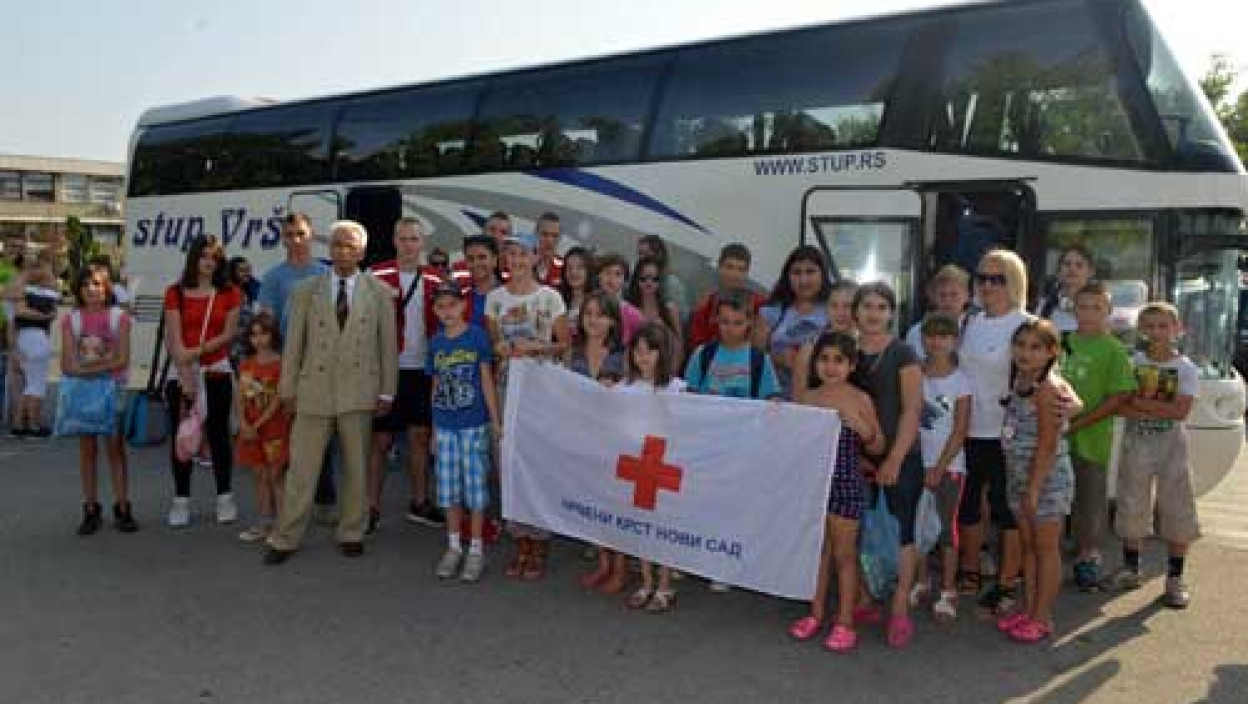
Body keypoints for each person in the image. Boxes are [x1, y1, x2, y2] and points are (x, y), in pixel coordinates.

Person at [264, 221, 399, 564]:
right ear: (329, 248)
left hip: (359, 390)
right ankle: (286, 536)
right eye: (337, 244)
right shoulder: (306, 290)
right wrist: (288, 388)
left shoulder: (379, 292)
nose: (343, 251)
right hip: (314, 390)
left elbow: (387, 346)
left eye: (350, 246)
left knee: (356, 468)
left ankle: (352, 531)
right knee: (301, 469)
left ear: (362, 252)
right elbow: (294, 344)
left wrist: (387, 392)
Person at [787, 332, 886, 653]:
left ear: (851, 365)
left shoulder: (860, 399)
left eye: (838, 360)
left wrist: (861, 427)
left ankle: (845, 621)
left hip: (846, 485)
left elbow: (878, 445)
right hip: (814, 486)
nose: (830, 367)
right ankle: (815, 612)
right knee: (817, 554)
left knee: (844, 555)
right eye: (824, 359)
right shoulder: (808, 398)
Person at [485, 231, 569, 580]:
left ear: (536, 257)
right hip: (507, 389)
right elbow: (494, 346)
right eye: (512, 254)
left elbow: (564, 344)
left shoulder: (551, 297)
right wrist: (503, 348)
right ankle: (520, 539)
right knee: (509, 463)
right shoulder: (495, 298)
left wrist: (534, 347)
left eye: (524, 253)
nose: (517, 260)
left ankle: (540, 541)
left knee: (538, 462)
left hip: (541, 391)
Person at [848, 282, 925, 649]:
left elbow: (912, 409)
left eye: (881, 307)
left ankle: (899, 606)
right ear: (855, 312)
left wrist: (894, 457)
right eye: (867, 306)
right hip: (855, 456)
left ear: (892, 313)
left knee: (902, 531)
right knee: (856, 529)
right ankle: (865, 596)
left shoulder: (903, 352)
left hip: (901, 456)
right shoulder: (845, 351)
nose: (873, 314)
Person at [1111, 302, 1201, 609]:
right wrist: (1150, 406)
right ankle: (1131, 568)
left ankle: (1175, 578)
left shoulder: (1185, 368)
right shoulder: (1133, 362)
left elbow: (1180, 411)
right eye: (1150, 326)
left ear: (1177, 329)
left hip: (1172, 444)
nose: (1156, 332)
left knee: (1178, 505)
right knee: (1132, 501)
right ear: (1141, 330)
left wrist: (1141, 403)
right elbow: (1120, 404)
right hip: (1138, 441)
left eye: (1163, 326)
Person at [958, 249, 1033, 614]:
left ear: (1014, 282)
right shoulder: (969, 322)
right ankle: (970, 569)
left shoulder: (1027, 325)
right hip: (967, 429)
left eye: (997, 279)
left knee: (1007, 508)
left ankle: (1007, 580)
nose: (987, 286)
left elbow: (1044, 378)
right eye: (982, 278)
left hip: (1008, 432)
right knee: (969, 504)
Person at [997, 320, 1080, 643]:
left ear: (1051, 352)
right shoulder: (1021, 380)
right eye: (1020, 345)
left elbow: (1047, 444)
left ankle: (1043, 617)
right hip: (1019, 477)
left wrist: (1033, 490)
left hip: (1045, 483)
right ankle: (1030, 609)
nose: (1025, 353)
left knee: (1045, 549)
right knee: (1029, 547)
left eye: (1035, 347)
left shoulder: (1048, 390)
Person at [256, 213, 337, 519]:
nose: (296, 240)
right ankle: (290, 503)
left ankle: (325, 499)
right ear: (283, 239)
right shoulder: (274, 278)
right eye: (290, 234)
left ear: (311, 235)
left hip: (322, 364)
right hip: (288, 363)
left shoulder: (325, 273)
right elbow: (267, 323)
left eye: (301, 233)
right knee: (289, 434)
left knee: (324, 434)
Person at [366, 218, 443, 533]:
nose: (409, 245)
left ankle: (419, 501)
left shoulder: (436, 278)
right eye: (403, 239)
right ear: (394, 241)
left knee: (419, 438)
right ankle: (370, 507)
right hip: (388, 369)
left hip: (423, 369)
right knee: (380, 440)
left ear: (422, 243)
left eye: (414, 239)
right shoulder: (375, 275)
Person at [163, 235, 242, 527]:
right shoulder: (175, 292)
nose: (209, 262)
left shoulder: (230, 292)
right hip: (181, 373)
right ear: (193, 258)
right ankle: (181, 500)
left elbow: (229, 334)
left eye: (214, 257)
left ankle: (225, 498)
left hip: (216, 371)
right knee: (183, 437)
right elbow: (173, 337)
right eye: (203, 255)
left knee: (219, 436)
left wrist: (195, 352)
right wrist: (185, 373)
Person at [1062, 282, 1134, 591]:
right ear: (1073, 309)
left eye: (1097, 308)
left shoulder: (1114, 349)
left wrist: (1079, 423)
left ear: (1108, 312)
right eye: (1083, 307)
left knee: (1090, 498)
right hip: (1055, 436)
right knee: (1055, 495)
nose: (1089, 313)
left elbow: (1119, 397)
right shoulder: (1061, 341)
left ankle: (1088, 556)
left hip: (1091, 438)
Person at [429, 283, 501, 583]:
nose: (447, 311)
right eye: (441, 306)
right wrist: (433, 428)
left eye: (452, 305)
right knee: (449, 489)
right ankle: (453, 545)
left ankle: (476, 550)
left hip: (473, 424)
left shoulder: (476, 336)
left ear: (463, 306)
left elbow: (486, 380)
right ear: (435, 310)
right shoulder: (436, 343)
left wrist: (494, 420)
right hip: (445, 425)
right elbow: (435, 386)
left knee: (475, 490)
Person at [60, 266, 138, 535]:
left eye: (96, 283)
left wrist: (86, 368)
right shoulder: (71, 320)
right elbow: (66, 363)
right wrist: (97, 367)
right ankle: (91, 508)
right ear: (78, 290)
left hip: (112, 389)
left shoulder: (120, 318)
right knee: (87, 450)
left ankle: (123, 506)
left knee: (115, 449)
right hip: (84, 391)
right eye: (85, 284)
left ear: (107, 288)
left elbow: (122, 359)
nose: (91, 289)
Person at [564, 291, 630, 593]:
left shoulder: (623, 355)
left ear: (613, 321)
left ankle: (620, 566)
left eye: (601, 314)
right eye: (588, 314)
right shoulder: (574, 352)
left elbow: (635, 393)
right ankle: (603, 562)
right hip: (584, 436)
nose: (593, 320)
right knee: (595, 499)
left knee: (617, 503)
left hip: (616, 439)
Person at [620, 322, 686, 614]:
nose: (642, 357)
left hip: (664, 465)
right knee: (641, 527)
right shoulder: (625, 388)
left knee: (664, 527)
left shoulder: (677, 388)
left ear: (663, 353)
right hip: (637, 466)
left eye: (649, 351)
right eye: (637, 351)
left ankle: (665, 585)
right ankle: (646, 582)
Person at [917, 312, 972, 622]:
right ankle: (921, 580)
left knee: (946, 529)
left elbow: (960, 429)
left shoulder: (961, 380)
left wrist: (939, 467)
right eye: (931, 335)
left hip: (949, 466)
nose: (936, 342)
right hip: (916, 463)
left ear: (955, 341)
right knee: (917, 525)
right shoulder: (915, 373)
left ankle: (948, 590)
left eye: (944, 336)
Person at [234, 312, 291, 543]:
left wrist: (256, 424)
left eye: (263, 333)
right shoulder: (246, 364)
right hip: (250, 430)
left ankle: (283, 526)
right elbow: (240, 395)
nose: (258, 339)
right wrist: (243, 422)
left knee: (276, 476)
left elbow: (278, 400)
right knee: (259, 475)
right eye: (253, 334)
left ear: (273, 335)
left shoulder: (281, 364)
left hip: (274, 428)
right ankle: (264, 522)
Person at [754, 245, 832, 398]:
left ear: (823, 274)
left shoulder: (835, 310)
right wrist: (777, 358)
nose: (803, 280)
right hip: (774, 400)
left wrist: (805, 362)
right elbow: (754, 359)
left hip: (819, 400)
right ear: (787, 276)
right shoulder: (771, 312)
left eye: (810, 271)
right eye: (796, 272)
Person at [685, 293, 780, 401]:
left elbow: (770, 397)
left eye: (738, 323)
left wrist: (774, 401)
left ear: (750, 322)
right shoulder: (702, 354)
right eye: (725, 322)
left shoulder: (760, 360)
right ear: (716, 319)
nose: (730, 329)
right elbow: (689, 394)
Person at [9, 255, 58, 438]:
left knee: (31, 384)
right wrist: (45, 316)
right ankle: (32, 425)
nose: (52, 276)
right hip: (36, 339)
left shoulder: (20, 290)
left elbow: (16, 316)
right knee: (36, 385)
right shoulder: (44, 293)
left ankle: (19, 424)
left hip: (24, 337)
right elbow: (23, 312)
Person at [686, 243, 765, 353]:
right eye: (729, 267)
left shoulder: (760, 305)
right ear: (719, 267)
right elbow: (697, 348)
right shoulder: (706, 305)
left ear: (747, 273)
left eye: (741, 269)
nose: (734, 274)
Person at [791, 279, 859, 396]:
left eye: (847, 306)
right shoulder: (810, 348)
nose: (840, 313)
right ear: (826, 309)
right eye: (834, 306)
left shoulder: (866, 348)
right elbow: (798, 396)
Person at [627, 255, 684, 366]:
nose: (649, 283)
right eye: (643, 278)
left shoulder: (670, 310)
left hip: (663, 370)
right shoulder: (629, 310)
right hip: (634, 370)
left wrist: (671, 372)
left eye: (654, 279)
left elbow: (678, 348)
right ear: (636, 280)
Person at [905, 265, 971, 359]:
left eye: (954, 295)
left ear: (967, 296)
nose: (947, 300)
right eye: (942, 295)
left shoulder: (976, 329)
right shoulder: (916, 332)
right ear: (933, 298)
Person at [1037, 245, 1096, 333]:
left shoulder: (1098, 307)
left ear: (1090, 272)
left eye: (1079, 265)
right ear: (1059, 270)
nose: (1072, 269)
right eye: (1067, 264)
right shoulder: (1044, 306)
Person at [595, 253, 644, 345]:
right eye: (607, 272)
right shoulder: (589, 306)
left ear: (625, 281)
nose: (611, 278)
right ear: (599, 275)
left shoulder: (633, 314)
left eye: (618, 274)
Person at [637, 234, 689, 320]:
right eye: (640, 254)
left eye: (645, 253)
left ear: (659, 254)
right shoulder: (636, 277)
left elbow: (682, 318)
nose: (641, 258)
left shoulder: (671, 283)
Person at [457, 235, 503, 328]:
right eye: (470, 259)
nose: (476, 263)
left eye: (482, 257)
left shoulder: (510, 293)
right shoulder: (459, 296)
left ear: (494, 260)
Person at [557, 247, 595, 343]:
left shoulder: (597, 302)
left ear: (589, 270)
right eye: (569, 268)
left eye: (580, 268)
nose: (574, 272)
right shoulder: (557, 297)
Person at [228, 255, 260, 368]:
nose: (246, 273)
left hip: (247, 345)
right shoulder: (228, 292)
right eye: (242, 270)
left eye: (248, 269)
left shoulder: (250, 289)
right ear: (232, 272)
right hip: (233, 347)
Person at [535, 212, 564, 287]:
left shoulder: (565, 268)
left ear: (560, 238)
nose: (549, 240)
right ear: (536, 234)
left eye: (555, 236)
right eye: (545, 234)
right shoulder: (523, 264)